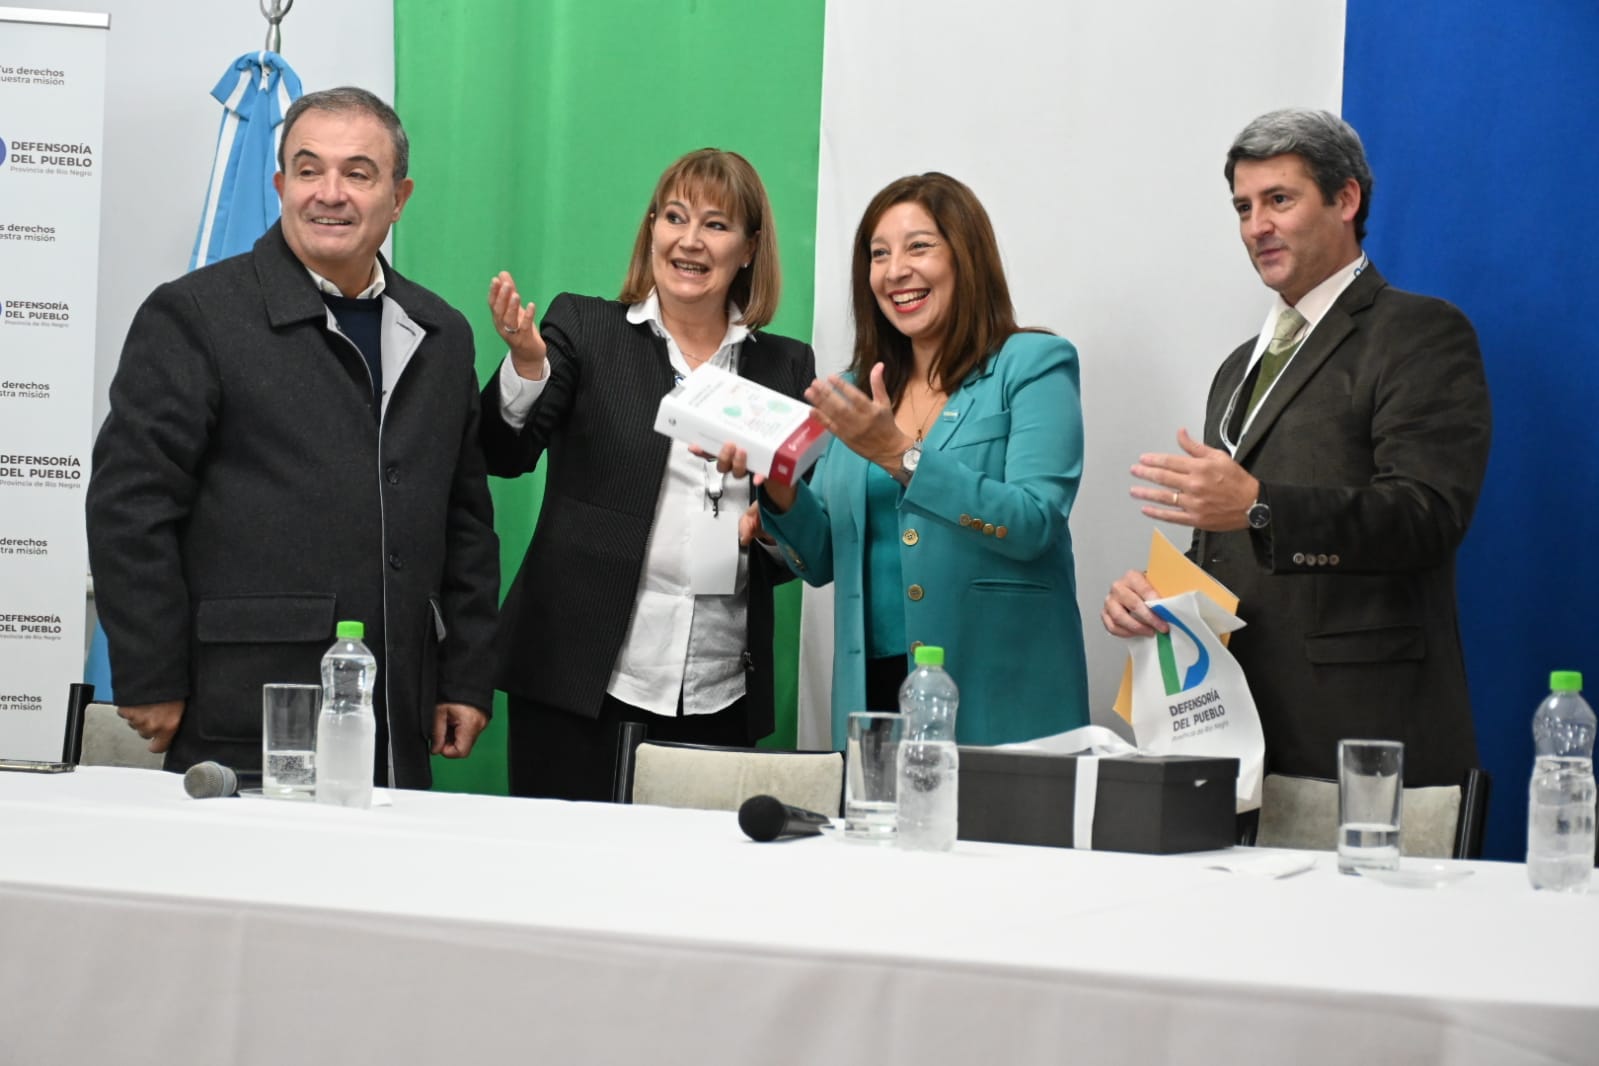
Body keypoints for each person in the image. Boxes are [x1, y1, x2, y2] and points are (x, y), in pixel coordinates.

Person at [86, 87, 499, 788]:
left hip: (396, 708)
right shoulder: (195, 316)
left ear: (399, 197)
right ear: (280, 186)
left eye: (357, 174)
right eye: (308, 171)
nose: (329, 194)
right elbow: (130, 505)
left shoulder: (441, 332)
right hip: (245, 703)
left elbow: (463, 519)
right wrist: (150, 670)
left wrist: (464, 673)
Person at [1101, 108, 1492, 786]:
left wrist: (1258, 507)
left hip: (1361, 733)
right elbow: (1226, 545)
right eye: (1243, 207)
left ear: (1346, 198)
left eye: (1279, 199)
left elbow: (1426, 517)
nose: (1256, 227)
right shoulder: (1236, 367)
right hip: (1231, 732)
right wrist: (1157, 601)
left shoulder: (1419, 332)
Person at [479, 148, 816, 801]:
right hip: (580, 681)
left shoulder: (783, 368)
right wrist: (525, 365)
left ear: (748, 249)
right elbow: (504, 453)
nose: (689, 240)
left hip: (719, 686)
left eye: (716, 226)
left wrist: (768, 520)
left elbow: (796, 545)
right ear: (651, 229)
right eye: (674, 217)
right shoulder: (585, 330)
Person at [746, 172, 1090, 747]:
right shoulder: (858, 388)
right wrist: (779, 484)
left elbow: (1034, 522)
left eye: (918, 246)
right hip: (873, 698)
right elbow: (826, 557)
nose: (894, 270)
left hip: (999, 692)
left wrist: (899, 454)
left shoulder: (1032, 364)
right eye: (878, 254)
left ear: (966, 256)